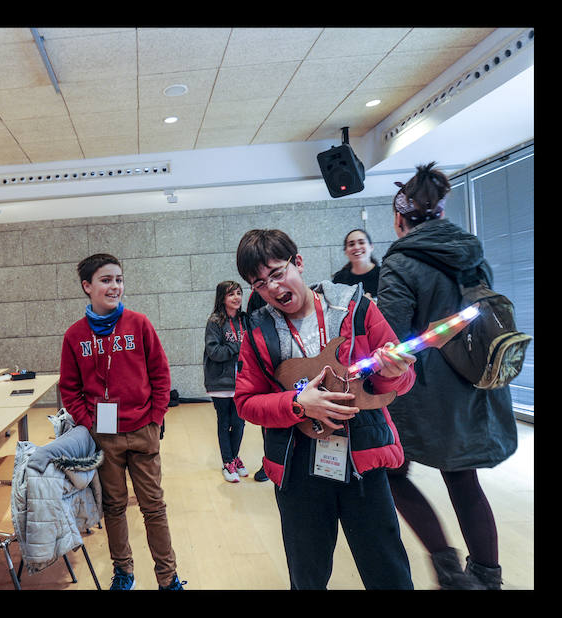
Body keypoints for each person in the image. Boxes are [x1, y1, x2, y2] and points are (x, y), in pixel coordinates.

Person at [233, 228, 417, 590]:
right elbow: (246, 402)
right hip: (297, 463)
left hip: (363, 452)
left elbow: (403, 380)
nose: (271, 288)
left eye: (277, 273)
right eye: (259, 283)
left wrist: (393, 373)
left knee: (387, 568)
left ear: (298, 263)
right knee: (308, 573)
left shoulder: (356, 308)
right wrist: (298, 405)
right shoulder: (257, 332)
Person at [377, 162, 516, 590]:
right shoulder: (472, 253)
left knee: (391, 472)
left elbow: (391, 336)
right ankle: (487, 579)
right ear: (439, 212)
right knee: (463, 479)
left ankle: (449, 570)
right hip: (474, 385)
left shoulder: (401, 263)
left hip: (425, 392)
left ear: (400, 220)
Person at [58, 253, 185, 590]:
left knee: (153, 507)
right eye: (105, 280)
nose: (114, 286)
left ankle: (168, 578)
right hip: (105, 436)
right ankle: (123, 572)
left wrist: (156, 417)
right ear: (87, 286)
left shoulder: (139, 324)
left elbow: (160, 373)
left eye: (118, 279)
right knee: (114, 507)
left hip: (143, 429)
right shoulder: (74, 336)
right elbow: (69, 389)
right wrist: (90, 424)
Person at [202, 281, 265, 483]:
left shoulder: (244, 320)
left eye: (238, 293)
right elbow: (214, 351)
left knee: (239, 422)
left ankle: (234, 457)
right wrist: (235, 347)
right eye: (231, 294)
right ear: (222, 298)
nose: (236, 298)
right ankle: (227, 461)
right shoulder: (215, 322)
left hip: (241, 381)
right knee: (225, 422)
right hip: (220, 382)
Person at [332, 228, 381, 299]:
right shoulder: (339, 279)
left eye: (361, 242)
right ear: (345, 251)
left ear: (371, 247)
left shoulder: (383, 276)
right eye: (351, 244)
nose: (357, 247)